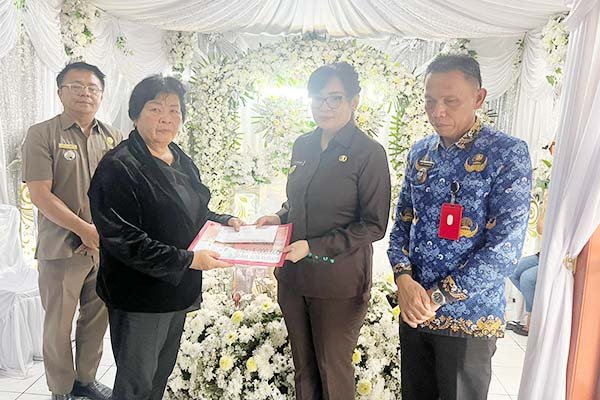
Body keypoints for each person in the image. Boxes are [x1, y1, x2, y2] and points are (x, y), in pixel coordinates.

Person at [88, 75, 242, 400]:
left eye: (174, 110)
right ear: (135, 113)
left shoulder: (179, 158)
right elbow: (125, 239)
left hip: (176, 290)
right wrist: (189, 259)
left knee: (159, 377)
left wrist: (224, 221)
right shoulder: (118, 166)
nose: (166, 118)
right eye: (155, 108)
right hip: (140, 296)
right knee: (135, 385)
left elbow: (194, 213)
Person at [387, 54, 532, 400]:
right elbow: (401, 226)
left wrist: (435, 297)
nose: (437, 111)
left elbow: (505, 249)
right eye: (430, 101)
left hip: (469, 320)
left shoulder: (506, 154)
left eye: (450, 101)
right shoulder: (420, 153)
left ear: (478, 98)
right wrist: (404, 280)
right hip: (415, 313)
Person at [256, 62, 391, 400]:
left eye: (335, 98)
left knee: (333, 371)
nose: (325, 106)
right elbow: (297, 202)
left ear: (354, 101)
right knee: (304, 370)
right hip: (293, 279)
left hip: (338, 285)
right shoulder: (303, 145)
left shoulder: (368, 153)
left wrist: (313, 246)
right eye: (318, 98)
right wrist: (278, 217)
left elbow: (374, 224)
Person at [22, 61, 122, 400]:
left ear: (101, 95)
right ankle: (61, 389)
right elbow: (40, 194)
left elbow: (121, 192)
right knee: (58, 324)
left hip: (102, 248)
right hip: (61, 249)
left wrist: (102, 234)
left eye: (93, 88)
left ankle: (86, 380)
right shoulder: (42, 134)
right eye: (76, 86)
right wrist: (84, 229)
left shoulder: (113, 137)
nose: (85, 93)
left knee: (96, 318)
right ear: (60, 92)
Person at [507, 139, 554, 336]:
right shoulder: (550, 186)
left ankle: (533, 321)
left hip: (557, 255)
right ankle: (537, 312)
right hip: (543, 252)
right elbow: (541, 227)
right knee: (512, 269)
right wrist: (546, 202)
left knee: (527, 279)